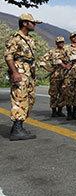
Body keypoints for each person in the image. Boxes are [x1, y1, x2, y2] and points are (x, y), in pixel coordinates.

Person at [4, 13, 42, 141]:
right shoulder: (15, 38)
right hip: (20, 71)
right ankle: (17, 129)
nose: (34, 25)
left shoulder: (30, 39)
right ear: (25, 23)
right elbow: (8, 56)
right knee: (19, 99)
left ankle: (18, 127)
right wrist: (14, 72)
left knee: (29, 99)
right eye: (33, 23)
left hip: (29, 73)